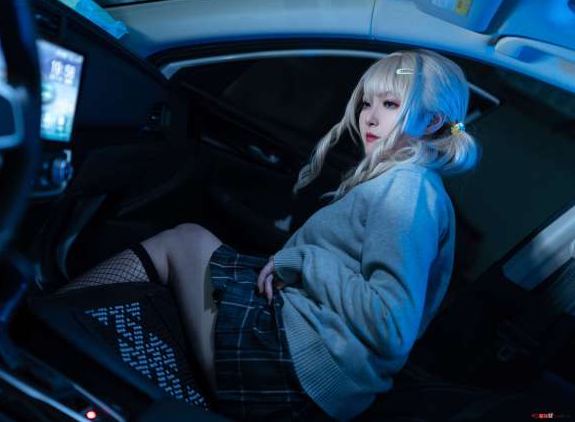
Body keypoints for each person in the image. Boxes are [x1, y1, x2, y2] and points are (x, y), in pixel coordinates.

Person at [56, 49, 481, 421]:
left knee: (184, 241)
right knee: (193, 253)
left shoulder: (407, 190)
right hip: (306, 371)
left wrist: (304, 261)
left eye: (390, 104)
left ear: (432, 121)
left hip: (292, 373)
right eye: (367, 102)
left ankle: (44, 323)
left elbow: (392, 325)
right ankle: (59, 323)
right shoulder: (408, 185)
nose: (369, 116)